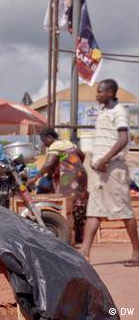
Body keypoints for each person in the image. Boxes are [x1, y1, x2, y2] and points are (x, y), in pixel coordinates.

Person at [79, 79, 139, 265]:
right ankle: (84, 253)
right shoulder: (104, 111)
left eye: (100, 92)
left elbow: (123, 139)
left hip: (113, 168)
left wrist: (105, 160)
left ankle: (137, 253)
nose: (97, 95)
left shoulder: (118, 111)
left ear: (111, 93)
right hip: (99, 169)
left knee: (124, 211)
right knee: (94, 212)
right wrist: (98, 162)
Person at [29, 127, 88, 242]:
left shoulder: (54, 146)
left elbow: (48, 164)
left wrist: (35, 178)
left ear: (49, 138)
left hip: (69, 177)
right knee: (79, 203)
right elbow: (82, 155)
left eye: (44, 142)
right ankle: (79, 235)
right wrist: (76, 167)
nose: (45, 145)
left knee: (67, 204)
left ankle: (69, 235)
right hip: (81, 175)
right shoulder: (68, 143)